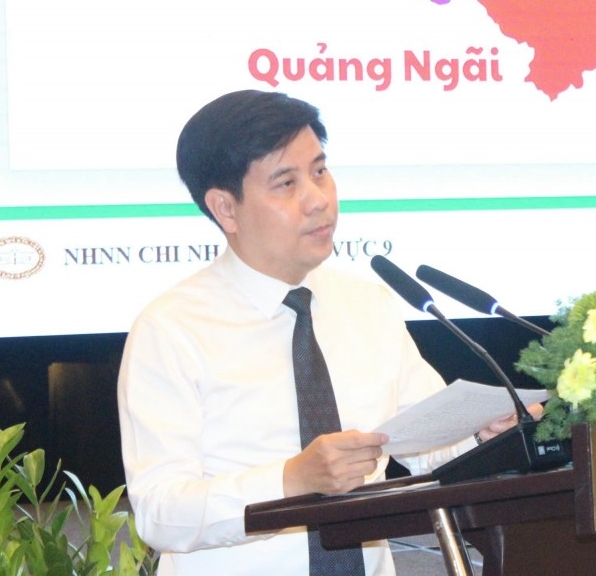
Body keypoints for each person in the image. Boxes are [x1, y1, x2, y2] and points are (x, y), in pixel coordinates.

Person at [117, 90, 533, 575]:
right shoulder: (171, 329)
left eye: (319, 171)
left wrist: (484, 437)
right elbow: (159, 512)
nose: (318, 200)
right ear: (225, 209)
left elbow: (428, 447)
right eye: (286, 183)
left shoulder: (367, 304)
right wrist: (290, 480)